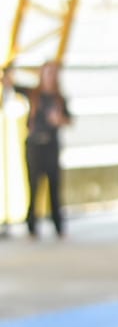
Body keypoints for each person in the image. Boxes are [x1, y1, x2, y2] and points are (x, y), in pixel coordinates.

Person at [2, 61, 72, 239]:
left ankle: (58, 226)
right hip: (34, 145)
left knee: (54, 186)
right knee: (34, 185)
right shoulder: (33, 94)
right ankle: (32, 227)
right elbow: (10, 84)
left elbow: (69, 119)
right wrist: (11, 69)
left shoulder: (59, 98)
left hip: (51, 145)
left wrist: (58, 120)